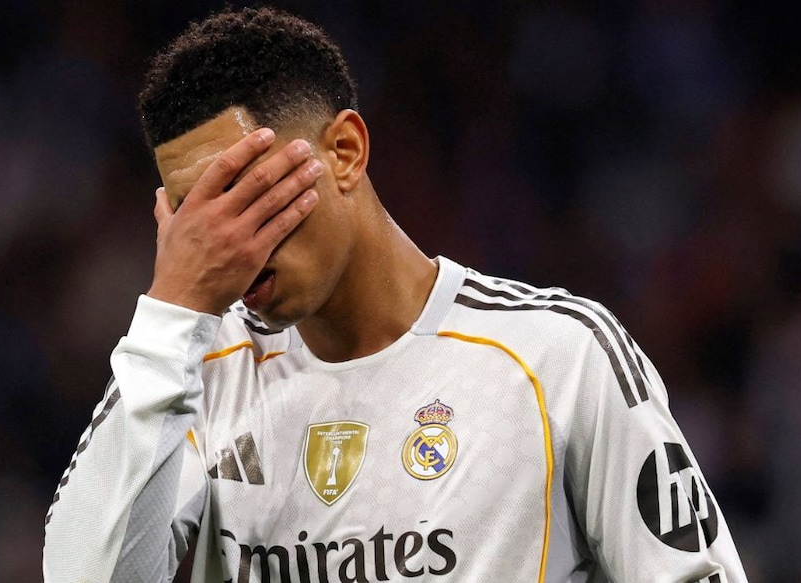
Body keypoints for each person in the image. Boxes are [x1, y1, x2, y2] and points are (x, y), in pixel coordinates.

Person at [43, 6, 747, 582]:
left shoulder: (557, 357)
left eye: (246, 192)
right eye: (193, 214)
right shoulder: (184, 371)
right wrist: (173, 314)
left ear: (344, 152)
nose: (228, 240)